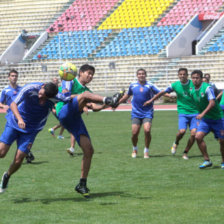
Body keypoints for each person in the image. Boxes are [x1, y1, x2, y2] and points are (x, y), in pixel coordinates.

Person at [0, 81, 120, 193]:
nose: (41, 98)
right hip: (15, 122)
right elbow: (13, 103)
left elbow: (71, 98)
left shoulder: (56, 96)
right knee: (2, 152)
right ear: (42, 87)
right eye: (41, 94)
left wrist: (94, 102)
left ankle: (7, 175)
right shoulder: (30, 88)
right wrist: (20, 119)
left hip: (32, 129)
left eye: (45, 97)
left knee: (19, 158)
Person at [55, 64, 124, 198]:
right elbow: (65, 95)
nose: (90, 76)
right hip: (64, 111)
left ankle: (82, 183)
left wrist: (107, 104)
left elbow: (95, 107)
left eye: (92, 74)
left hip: (75, 118)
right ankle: (109, 98)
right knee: (85, 95)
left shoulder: (87, 91)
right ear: (80, 73)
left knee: (89, 150)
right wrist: (107, 99)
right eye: (88, 73)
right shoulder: (69, 80)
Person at [144, 68, 199, 160]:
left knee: (194, 134)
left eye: (184, 74)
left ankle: (185, 152)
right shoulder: (175, 85)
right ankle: (176, 143)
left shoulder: (193, 83)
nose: (182, 76)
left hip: (195, 112)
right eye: (180, 74)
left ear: (187, 75)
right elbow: (162, 92)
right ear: (178, 75)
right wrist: (151, 100)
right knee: (182, 132)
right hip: (183, 112)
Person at [118, 68, 161, 159]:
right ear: (137, 75)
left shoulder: (150, 85)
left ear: (145, 75)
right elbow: (127, 95)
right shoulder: (132, 85)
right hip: (136, 113)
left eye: (143, 74)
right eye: (139, 74)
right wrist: (118, 103)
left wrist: (152, 100)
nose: (141, 75)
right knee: (134, 133)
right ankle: (135, 148)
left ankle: (146, 151)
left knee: (147, 130)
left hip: (147, 112)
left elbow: (160, 93)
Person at [190, 70, 224, 169]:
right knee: (198, 137)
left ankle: (223, 161)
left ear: (201, 78)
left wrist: (202, 114)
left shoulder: (207, 88)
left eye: (197, 78)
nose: (195, 80)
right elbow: (198, 105)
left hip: (218, 118)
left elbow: (212, 103)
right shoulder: (192, 91)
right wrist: (199, 116)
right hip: (206, 120)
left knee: (222, 141)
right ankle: (207, 160)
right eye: (193, 78)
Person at [0, 69, 35, 163]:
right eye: (12, 76)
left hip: (22, 117)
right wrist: (4, 105)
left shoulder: (21, 89)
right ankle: (28, 154)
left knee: (21, 136)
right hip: (11, 118)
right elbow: (0, 102)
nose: (14, 77)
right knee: (13, 136)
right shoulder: (5, 90)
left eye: (15, 76)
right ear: (8, 77)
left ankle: (26, 153)